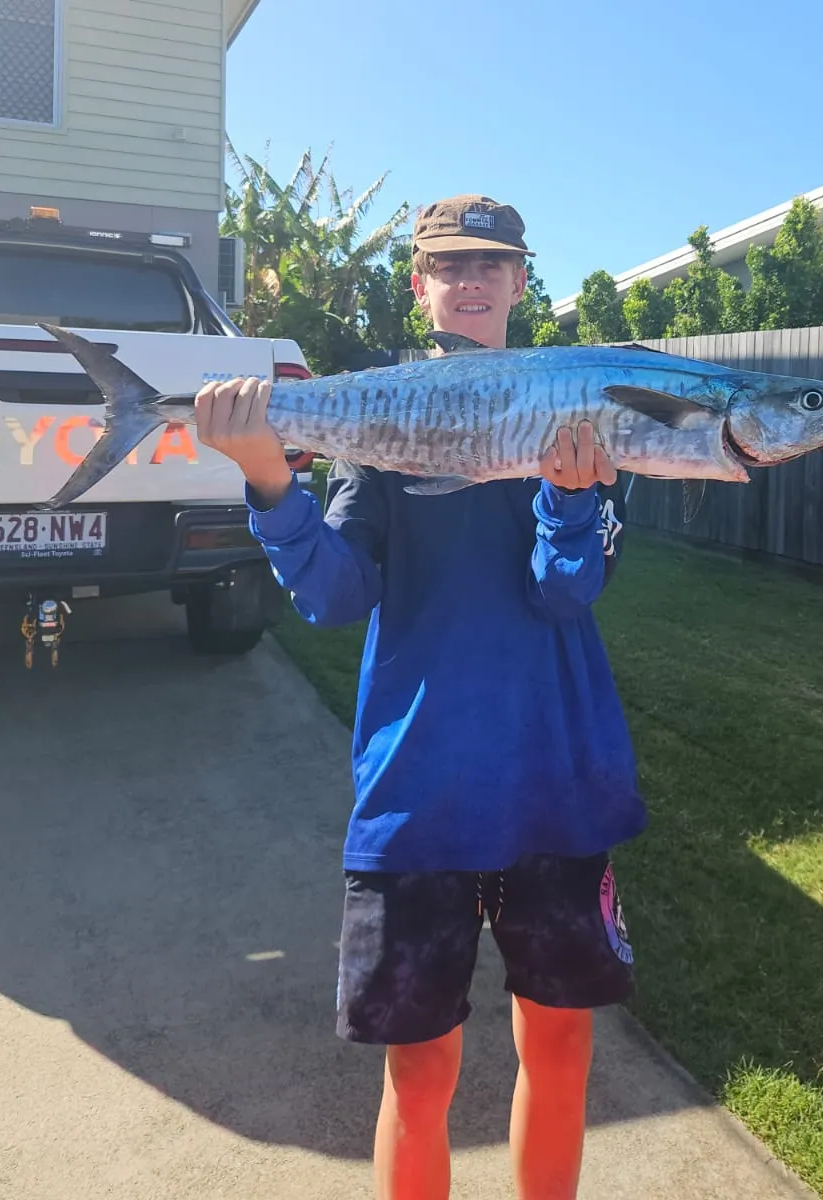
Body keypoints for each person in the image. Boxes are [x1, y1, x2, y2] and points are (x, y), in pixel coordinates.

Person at [193, 194, 648, 1200]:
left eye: (494, 262)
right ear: (421, 283)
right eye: (451, 264)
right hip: (420, 797)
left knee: (562, 1050)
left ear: (524, 282)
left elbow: (566, 591)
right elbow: (335, 594)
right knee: (420, 1065)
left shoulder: (585, 413)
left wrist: (572, 499)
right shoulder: (382, 421)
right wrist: (272, 485)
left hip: (556, 788)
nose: (474, 279)